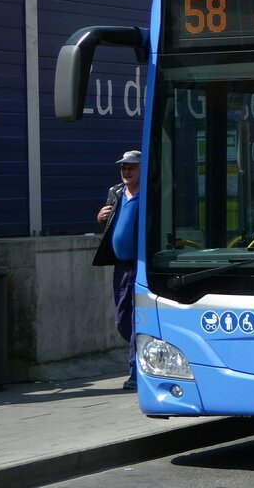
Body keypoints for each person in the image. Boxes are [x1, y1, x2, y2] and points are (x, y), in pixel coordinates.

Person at [95, 150, 142, 389]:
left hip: (140, 265)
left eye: (131, 167)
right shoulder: (115, 194)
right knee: (123, 320)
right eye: (123, 167)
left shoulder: (148, 196)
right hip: (120, 266)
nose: (126, 171)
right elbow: (109, 224)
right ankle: (138, 357)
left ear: (141, 169)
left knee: (136, 319)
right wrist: (101, 218)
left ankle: (135, 371)